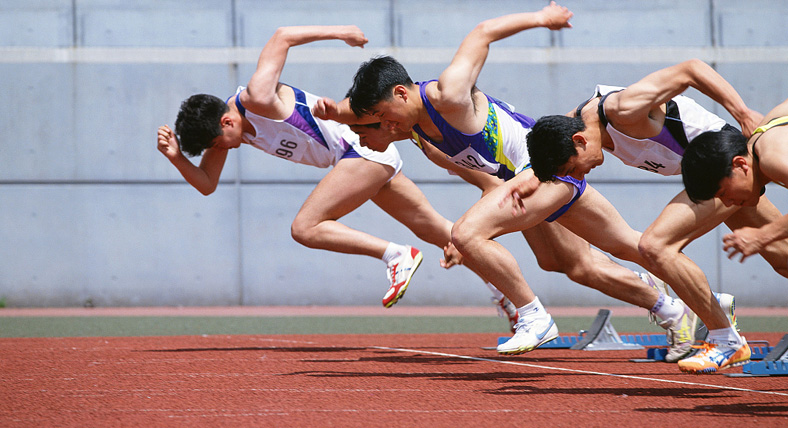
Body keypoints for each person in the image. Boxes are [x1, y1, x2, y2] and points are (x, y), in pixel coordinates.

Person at [319, 2, 700, 359]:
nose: (385, 126)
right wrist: (333, 113)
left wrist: (543, 18)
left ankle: (534, 317)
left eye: (384, 116)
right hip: (525, 183)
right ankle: (692, 306)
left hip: (547, 169)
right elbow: (485, 178)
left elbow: (483, 32)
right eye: (375, 120)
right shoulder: (418, 133)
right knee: (588, 259)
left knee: (466, 233)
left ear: (401, 93)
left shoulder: (448, 94)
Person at [156, 24, 520, 327]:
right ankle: (510, 297)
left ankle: (395, 255)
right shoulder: (224, 134)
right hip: (359, 160)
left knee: (305, 227)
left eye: (222, 142)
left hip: (359, 149)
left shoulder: (257, 97)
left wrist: (341, 32)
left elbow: (282, 36)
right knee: (443, 231)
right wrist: (176, 157)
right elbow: (206, 184)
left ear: (227, 120)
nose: (225, 149)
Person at [525, 59, 782, 373]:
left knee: (656, 245)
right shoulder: (572, 125)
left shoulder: (622, 109)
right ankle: (714, 311)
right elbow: (537, 146)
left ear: (580, 142)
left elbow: (691, 69)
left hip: (727, 167)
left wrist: (741, 112)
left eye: (571, 169)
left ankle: (724, 336)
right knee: (782, 258)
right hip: (709, 178)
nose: (578, 176)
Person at [682, 100, 788, 272]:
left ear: (740, 164)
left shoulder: (772, 158)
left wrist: (762, 236)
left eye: (723, 193)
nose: (728, 203)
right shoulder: (761, 142)